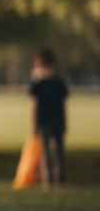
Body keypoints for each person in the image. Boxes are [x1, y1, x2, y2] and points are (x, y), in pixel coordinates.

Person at [30, 49, 69, 187]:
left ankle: (49, 180)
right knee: (57, 152)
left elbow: (34, 105)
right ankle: (56, 179)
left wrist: (34, 124)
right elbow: (63, 104)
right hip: (54, 120)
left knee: (47, 152)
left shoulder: (40, 82)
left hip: (46, 120)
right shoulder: (58, 81)